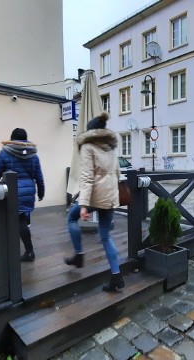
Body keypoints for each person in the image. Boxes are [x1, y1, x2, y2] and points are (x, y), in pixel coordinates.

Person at [64, 112, 125, 292]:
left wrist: (83, 205)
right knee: (106, 236)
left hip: (94, 196)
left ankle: (79, 255)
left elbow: (86, 178)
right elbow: (118, 173)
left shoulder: (88, 147)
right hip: (110, 197)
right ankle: (116, 276)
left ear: (90, 132)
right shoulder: (111, 147)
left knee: (71, 217)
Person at [0, 128, 45, 262]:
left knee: (17, 221)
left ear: (12, 138)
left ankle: (28, 251)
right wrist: (41, 192)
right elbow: (39, 177)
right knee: (21, 220)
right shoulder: (33, 155)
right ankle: (21, 249)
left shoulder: (5, 153)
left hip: (12, 191)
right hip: (28, 191)